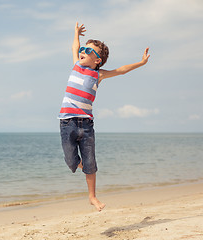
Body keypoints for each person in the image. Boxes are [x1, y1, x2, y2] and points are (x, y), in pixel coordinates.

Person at [58, 22, 150, 211]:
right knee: (71, 161)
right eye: (83, 49)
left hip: (87, 125)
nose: (82, 52)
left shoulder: (98, 75)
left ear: (97, 60)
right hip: (67, 122)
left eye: (88, 51)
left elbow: (121, 70)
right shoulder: (76, 65)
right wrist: (76, 34)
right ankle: (83, 165)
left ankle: (92, 197)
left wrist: (140, 63)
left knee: (90, 163)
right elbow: (75, 46)